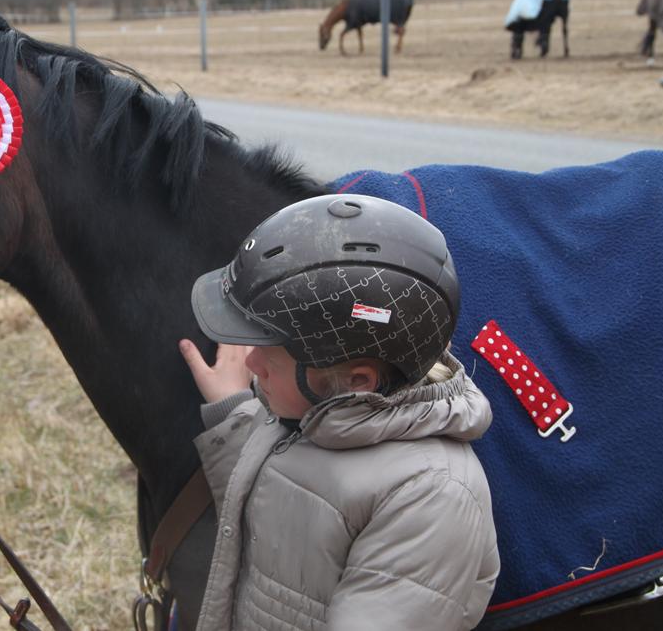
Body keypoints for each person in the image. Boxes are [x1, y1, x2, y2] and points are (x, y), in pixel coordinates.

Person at [180, 193, 499, 631]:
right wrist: (233, 411)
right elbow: (287, 493)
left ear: (356, 384)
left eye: (268, 359)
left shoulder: (430, 497)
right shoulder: (312, 415)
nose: (250, 366)